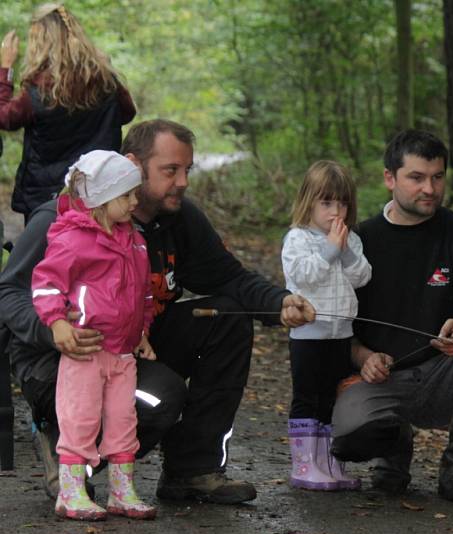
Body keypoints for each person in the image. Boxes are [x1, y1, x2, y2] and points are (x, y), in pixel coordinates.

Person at [0, 119, 315, 505]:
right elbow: (10, 291)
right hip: (62, 358)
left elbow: (228, 277)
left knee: (226, 316)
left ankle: (192, 471)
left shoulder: (177, 218)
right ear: (132, 165)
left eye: (187, 170)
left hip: (129, 344)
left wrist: (280, 302)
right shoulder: (63, 220)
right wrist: (54, 330)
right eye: (171, 170)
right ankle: (66, 454)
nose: (182, 181)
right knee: (160, 397)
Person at [329, 129, 453, 502]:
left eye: (437, 177)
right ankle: (394, 448)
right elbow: (334, 323)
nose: (429, 189)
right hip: (382, 379)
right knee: (349, 437)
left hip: (447, 375)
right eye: (416, 178)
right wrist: (363, 356)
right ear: (390, 178)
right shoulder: (359, 241)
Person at [32, 150, 156, 521]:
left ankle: (122, 491)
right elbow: (45, 284)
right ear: (102, 198)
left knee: (123, 419)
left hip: (122, 352)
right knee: (81, 419)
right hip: (85, 351)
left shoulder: (134, 240)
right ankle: (70, 493)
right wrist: (58, 322)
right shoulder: (73, 240)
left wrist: (143, 330)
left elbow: (142, 293)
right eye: (127, 195)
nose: (136, 202)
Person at [281, 160, 372, 491]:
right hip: (309, 335)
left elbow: (362, 277)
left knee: (332, 398)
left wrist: (345, 250)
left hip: (340, 335)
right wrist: (330, 249)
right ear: (309, 201)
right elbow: (304, 276)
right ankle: (306, 464)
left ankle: (331, 462)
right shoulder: (298, 239)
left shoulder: (350, 240)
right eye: (327, 202)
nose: (336, 210)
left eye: (342, 202)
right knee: (308, 396)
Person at [0, 3, 136, 222]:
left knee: (48, 254)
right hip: (98, 193)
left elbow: (4, 117)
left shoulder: (40, 90)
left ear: (40, 44)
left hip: (47, 201)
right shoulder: (104, 81)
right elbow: (127, 113)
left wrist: (6, 68)